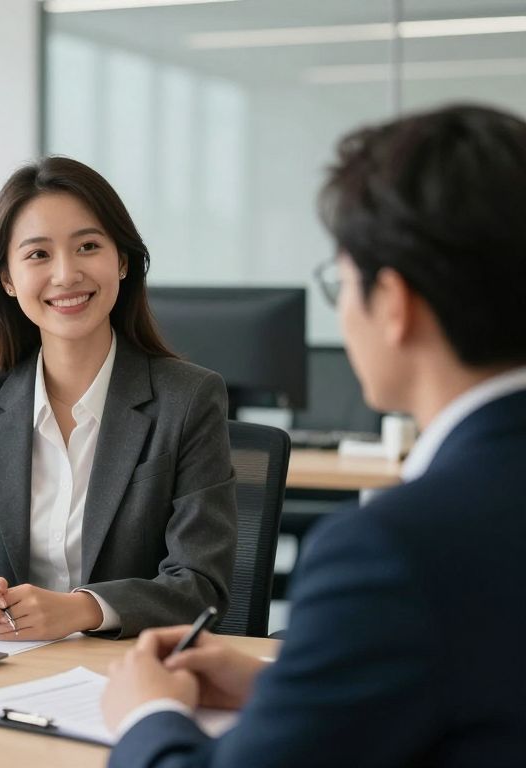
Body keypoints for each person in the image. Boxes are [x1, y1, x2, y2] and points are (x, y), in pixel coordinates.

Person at [101, 104, 526, 766]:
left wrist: (146, 715)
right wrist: (290, 687)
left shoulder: (393, 551)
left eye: (343, 285)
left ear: (394, 304)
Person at [0, 156, 237, 641]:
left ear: (121, 261)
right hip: (1, 671)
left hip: (129, 670)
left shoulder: (188, 400)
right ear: (7, 279)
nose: (66, 274)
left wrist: (83, 610)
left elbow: (200, 585)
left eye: (87, 246)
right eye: (38, 255)